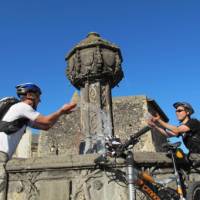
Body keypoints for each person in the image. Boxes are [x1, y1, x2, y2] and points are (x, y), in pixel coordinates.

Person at [0, 83, 76, 199]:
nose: (40, 101)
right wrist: (61, 110)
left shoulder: (24, 116)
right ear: (30, 96)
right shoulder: (22, 107)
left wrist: (61, 114)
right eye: (38, 97)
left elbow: (46, 126)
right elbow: (45, 120)